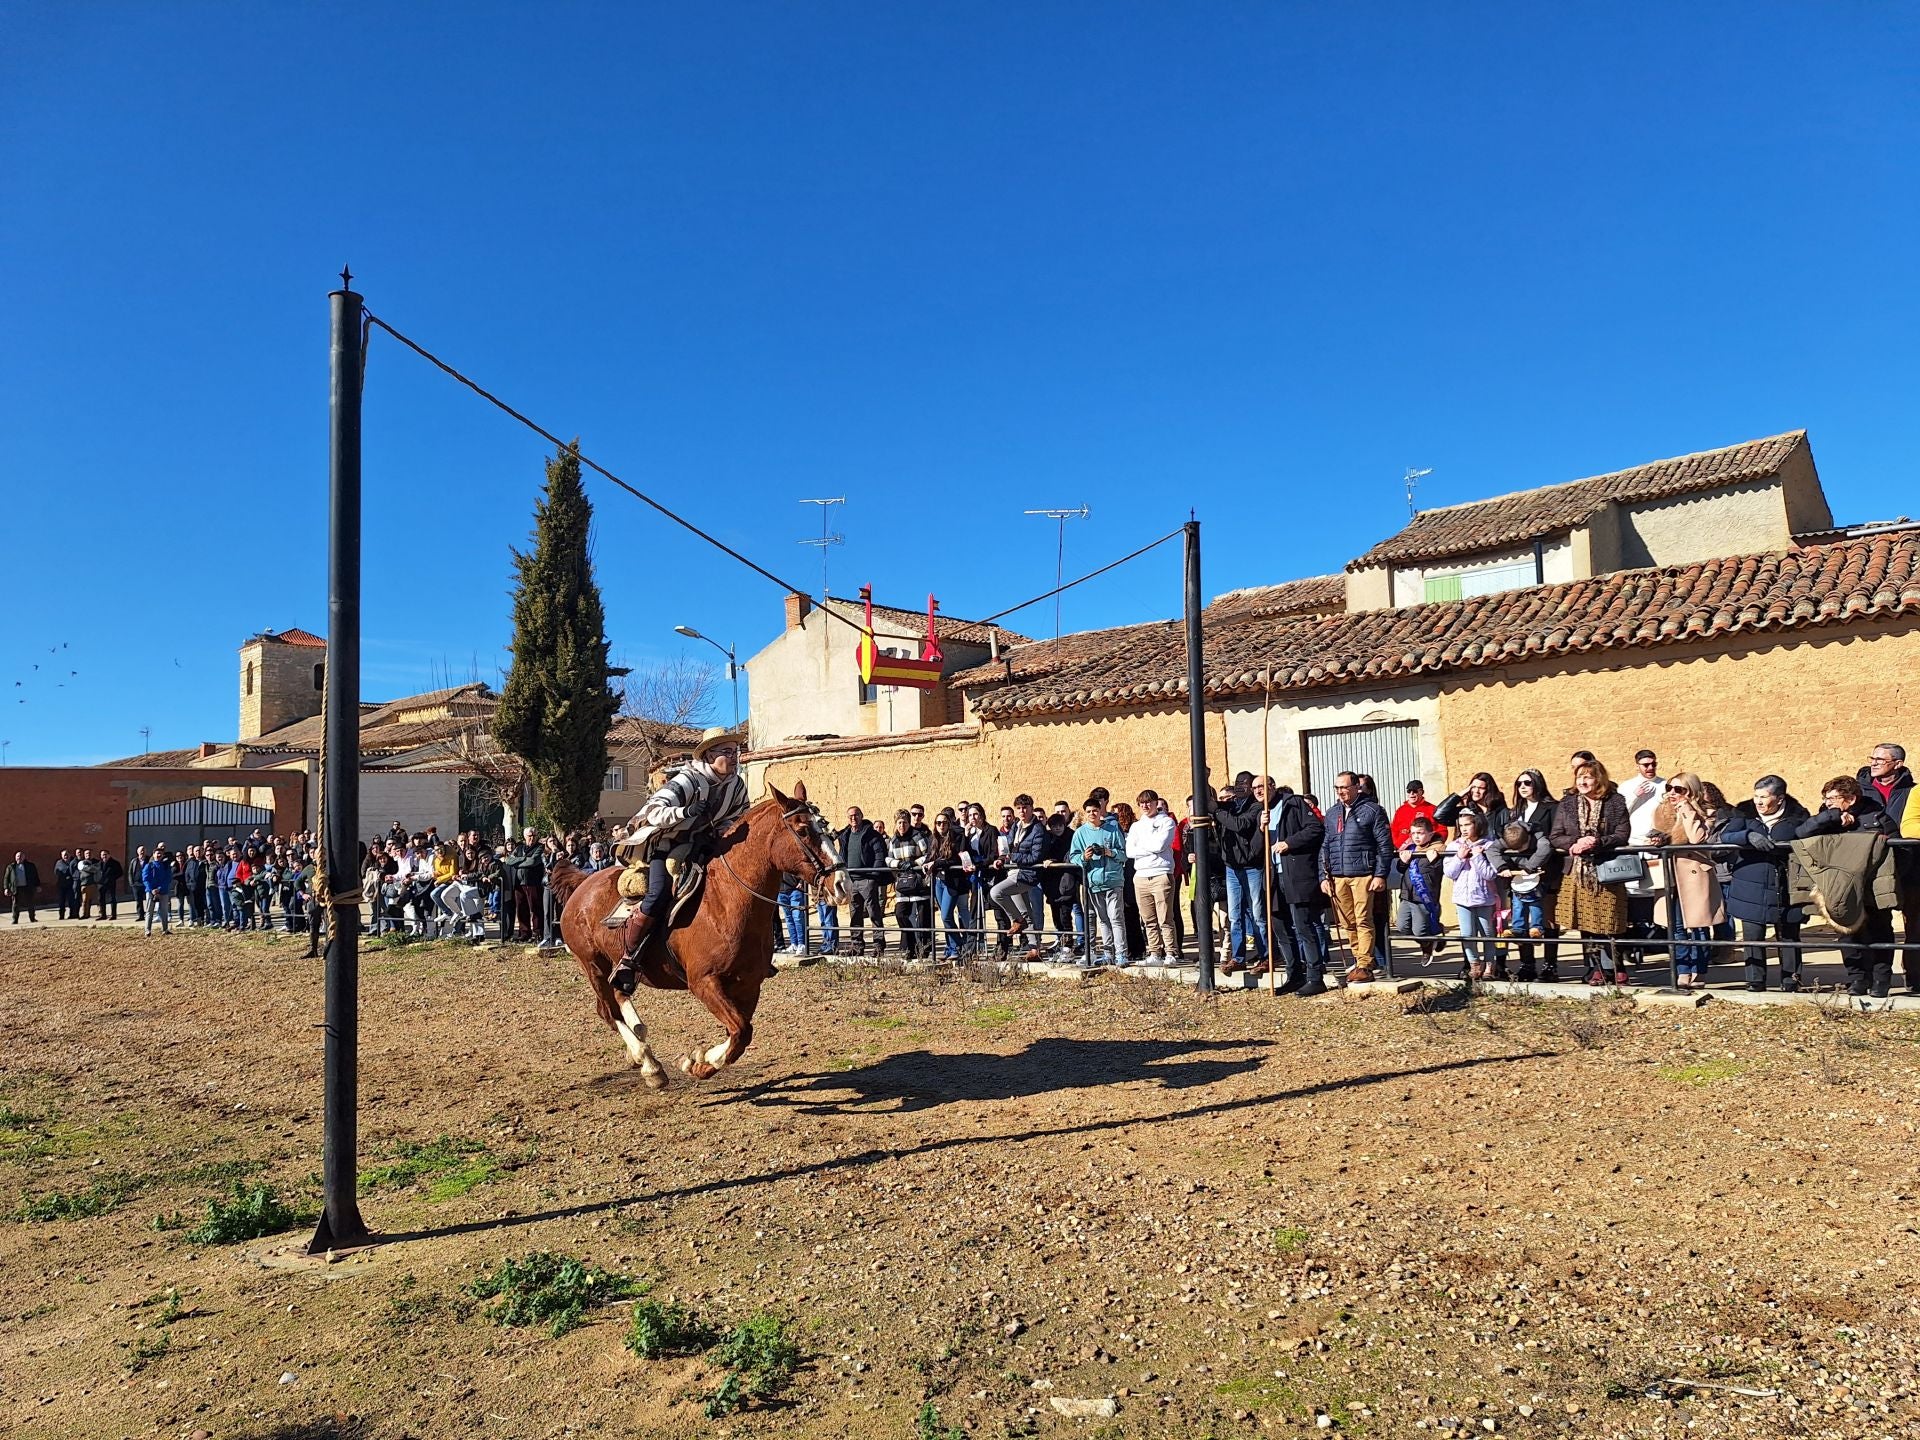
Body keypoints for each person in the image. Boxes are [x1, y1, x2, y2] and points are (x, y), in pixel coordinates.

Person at [605, 728, 750, 987]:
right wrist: (686, 811)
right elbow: (654, 812)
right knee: (659, 893)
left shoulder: (736, 785)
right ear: (708, 755)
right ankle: (629, 957)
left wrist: (722, 830)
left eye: (735, 752)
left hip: (705, 844)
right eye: (726, 752)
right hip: (668, 844)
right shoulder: (687, 780)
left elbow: (738, 816)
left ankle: (750, 955)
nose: (734, 757)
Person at [1798, 776, 1898, 998]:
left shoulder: (1878, 817)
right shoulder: (1826, 818)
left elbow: (1900, 850)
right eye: (1826, 798)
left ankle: (1881, 980)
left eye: (1833, 798)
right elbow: (1801, 834)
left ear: (1851, 798)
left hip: (1872, 887)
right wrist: (1830, 816)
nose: (1828, 802)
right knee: (1846, 934)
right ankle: (1857, 979)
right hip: (1839, 889)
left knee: (1880, 932)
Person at [1721, 776, 1809, 991]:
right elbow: (1726, 836)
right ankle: (1755, 981)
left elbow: (1807, 838)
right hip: (1750, 883)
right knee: (1753, 936)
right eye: (1756, 795)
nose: (1758, 801)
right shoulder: (1743, 813)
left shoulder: (1797, 816)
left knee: (1789, 935)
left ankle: (1791, 981)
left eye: (1764, 797)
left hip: (1785, 883)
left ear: (1779, 799)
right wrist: (1747, 835)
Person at [1549, 759, 1632, 986]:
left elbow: (1622, 833)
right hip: (1578, 873)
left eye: (1588, 777)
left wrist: (1596, 842)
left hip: (1607, 871)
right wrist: (1574, 843)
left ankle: (1617, 967)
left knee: (1610, 921)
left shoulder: (1615, 802)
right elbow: (1555, 835)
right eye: (1579, 777)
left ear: (1599, 779)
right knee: (1586, 924)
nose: (1583, 781)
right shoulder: (1567, 803)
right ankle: (1596, 968)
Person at [1646, 773, 1727, 989]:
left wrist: (1687, 809)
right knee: (1677, 927)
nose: (1672, 793)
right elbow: (1659, 835)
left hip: (1694, 875)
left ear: (1691, 791)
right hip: (1670, 875)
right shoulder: (1661, 811)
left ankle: (1698, 971)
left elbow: (1697, 839)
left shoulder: (1706, 812)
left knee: (1699, 927)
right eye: (1670, 788)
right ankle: (1682, 971)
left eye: (1679, 789)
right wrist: (1656, 839)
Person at [1318, 772, 1392, 983]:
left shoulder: (1372, 810)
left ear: (1356, 787)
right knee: (1347, 921)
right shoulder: (1332, 814)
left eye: (1344, 787)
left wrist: (1380, 874)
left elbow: (1384, 845)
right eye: (1337, 788)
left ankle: (1365, 964)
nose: (1340, 792)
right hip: (1338, 876)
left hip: (1362, 874)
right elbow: (1326, 846)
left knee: (1363, 920)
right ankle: (1360, 958)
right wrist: (1324, 876)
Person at [1858, 743, 1918, 993]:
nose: (1873, 762)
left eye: (1880, 759)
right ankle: (1875, 980)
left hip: (1911, 865)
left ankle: (1915, 978)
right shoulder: (1858, 790)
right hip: (1871, 868)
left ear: (1897, 764)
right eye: (1872, 757)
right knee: (1876, 924)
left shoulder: (1911, 791)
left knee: (1915, 924)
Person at [1215, 772, 1270, 974]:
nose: (1240, 787)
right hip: (1232, 867)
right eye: (1237, 783)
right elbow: (1213, 806)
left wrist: (1218, 813)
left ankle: (1265, 956)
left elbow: (1239, 825)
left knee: (1257, 914)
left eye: (1244, 784)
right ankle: (1238, 958)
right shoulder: (1230, 806)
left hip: (1252, 866)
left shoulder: (1256, 806)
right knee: (1235, 915)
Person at [989, 795, 1049, 958]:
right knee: (1025, 912)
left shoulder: (1037, 829)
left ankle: (1017, 921)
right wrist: (1001, 859)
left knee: (996, 892)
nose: (1022, 811)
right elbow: (1007, 847)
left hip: (1027, 874)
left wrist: (1014, 858)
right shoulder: (1017, 825)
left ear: (1031, 808)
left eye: (1025, 807)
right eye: (1019, 808)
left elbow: (1035, 856)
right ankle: (1035, 948)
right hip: (1014, 871)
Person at [1071, 797, 1128, 967]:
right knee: (1103, 919)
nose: (1092, 814)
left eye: (1095, 810)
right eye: (1088, 811)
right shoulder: (1080, 833)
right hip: (1093, 882)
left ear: (1100, 811)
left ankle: (1121, 954)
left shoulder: (1112, 829)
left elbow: (1124, 854)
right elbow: (1073, 857)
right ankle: (1108, 953)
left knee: (1116, 918)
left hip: (1113, 880)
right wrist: (1084, 857)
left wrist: (1109, 852)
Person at [1446, 813, 1502, 980]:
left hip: (1484, 898)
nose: (1464, 829)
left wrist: (1477, 856)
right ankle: (1474, 965)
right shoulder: (1454, 846)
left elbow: (1490, 874)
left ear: (1476, 825)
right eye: (1461, 825)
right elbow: (1449, 872)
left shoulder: (1489, 845)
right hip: (1462, 898)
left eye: (1467, 825)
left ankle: (1490, 966)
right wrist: (1459, 858)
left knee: (1487, 934)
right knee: (1467, 934)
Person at [1125, 789, 1177, 964]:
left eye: (1149, 802)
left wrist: (1142, 845)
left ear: (1156, 803)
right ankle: (1154, 952)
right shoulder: (1136, 826)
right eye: (1142, 803)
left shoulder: (1167, 822)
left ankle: (1170, 952)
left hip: (1161, 873)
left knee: (1165, 917)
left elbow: (1160, 845)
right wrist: (1149, 846)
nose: (1145, 806)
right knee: (1148, 919)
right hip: (1141, 876)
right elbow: (1130, 851)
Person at [835, 805, 891, 957]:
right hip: (852, 881)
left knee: (874, 914)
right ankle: (857, 946)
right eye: (850, 816)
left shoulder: (871, 834)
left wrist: (873, 875)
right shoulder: (845, 835)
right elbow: (842, 856)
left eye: (856, 815)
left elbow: (880, 854)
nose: (853, 818)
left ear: (861, 815)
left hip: (868, 880)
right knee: (855, 915)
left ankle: (879, 946)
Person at [1392, 816, 1445, 961]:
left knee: (1420, 931)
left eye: (1420, 833)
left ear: (1430, 833)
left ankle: (1427, 945)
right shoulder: (1410, 848)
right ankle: (1432, 940)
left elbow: (1441, 870)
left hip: (1424, 896)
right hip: (1407, 894)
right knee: (1402, 927)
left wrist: (1434, 861)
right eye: (1413, 833)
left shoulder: (1438, 848)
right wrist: (1403, 862)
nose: (1416, 836)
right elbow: (1401, 869)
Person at [926, 808, 976, 959]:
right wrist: (927, 863)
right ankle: (951, 948)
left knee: (946, 916)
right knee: (944, 917)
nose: (941, 825)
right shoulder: (933, 839)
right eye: (938, 823)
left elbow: (954, 859)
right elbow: (929, 856)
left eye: (944, 823)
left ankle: (959, 945)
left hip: (952, 882)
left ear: (949, 824)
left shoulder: (955, 837)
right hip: (938, 882)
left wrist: (936, 863)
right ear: (935, 825)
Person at [1497, 821, 1552, 942]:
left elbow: (1545, 848)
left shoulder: (1540, 837)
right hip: (1518, 879)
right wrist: (1502, 867)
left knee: (1535, 903)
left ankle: (1537, 927)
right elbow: (1492, 850)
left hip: (1536, 876)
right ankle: (1518, 928)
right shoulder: (1505, 838)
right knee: (1517, 904)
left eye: (1521, 848)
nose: (1519, 851)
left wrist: (1530, 867)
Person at [888, 809, 932, 958]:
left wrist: (914, 863)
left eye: (904, 822)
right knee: (900, 914)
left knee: (922, 917)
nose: (902, 825)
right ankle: (909, 947)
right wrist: (899, 864)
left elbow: (928, 854)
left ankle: (924, 949)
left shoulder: (917, 836)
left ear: (909, 823)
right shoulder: (893, 840)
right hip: (902, 883)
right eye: (899, 823)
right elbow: (888, 859)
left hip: (919, 882)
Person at [1391, 779, 1442, 849]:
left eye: (1415, 791)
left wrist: (1433, 846)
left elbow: (1442, 830)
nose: (1411, 794)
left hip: (1425, 850)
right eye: (1409, 791)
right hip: (1402, 850)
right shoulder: (1400, 810)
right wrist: (1397, 844)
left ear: (1422, 792)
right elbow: (1394, 830)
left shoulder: (1432, 809)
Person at [140, 843, 174, 936]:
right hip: (151, 892)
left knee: (164, 911)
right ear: (153, 855)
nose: (159, 855)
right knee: (149, 911)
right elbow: (145, 879)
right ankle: (147, 930)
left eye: (160, 854)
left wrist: (159, 889)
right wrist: (152, 890)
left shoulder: (166, 866)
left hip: (163, 891)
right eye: (157, 853)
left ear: (163, 855)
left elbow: (168, 879)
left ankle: (165, 929)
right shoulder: (149, 866)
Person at [5, 851, 40, 923]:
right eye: (18, 856)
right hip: (16, 888)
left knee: (30, 903)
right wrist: (6, 888)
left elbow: (35, 876)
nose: (19, 858)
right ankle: (15, 919)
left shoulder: (30, 866)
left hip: (28, 887)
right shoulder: (11, 867)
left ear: (24, 857)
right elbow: (6, 878)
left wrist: (38, 885)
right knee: (15, 904)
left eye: (21, 856)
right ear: (15, 857)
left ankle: (32, 918)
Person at [99, 848, 124, 920]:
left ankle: (113, 915)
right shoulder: (100, 864)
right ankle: (103, 915)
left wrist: (113, 878)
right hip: (101, 884)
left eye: (105, 855)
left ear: (109, 855)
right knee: (101, 899)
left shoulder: (115, 863)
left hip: (111, 884)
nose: (104, 856)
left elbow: (120, 873)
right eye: (102, 855)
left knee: (112, 899)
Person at [53, 849, 75, 920]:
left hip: (71, 885)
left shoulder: (73, 861)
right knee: (61, 901)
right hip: (61, 885)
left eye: (67, 855)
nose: (66, 856)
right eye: (64, 855)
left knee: (71, 900)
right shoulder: (59, 863)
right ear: (61, 856)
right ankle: (61, 916)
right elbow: (56, 872)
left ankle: (72, 914)